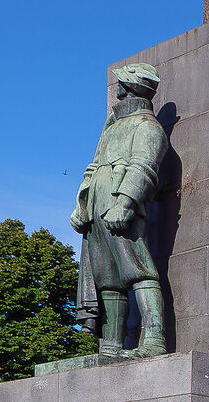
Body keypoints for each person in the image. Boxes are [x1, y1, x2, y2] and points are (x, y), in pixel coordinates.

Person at [71, 62, 169, 357]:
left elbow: (144, 167)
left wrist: (125, 202)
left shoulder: (147, 127)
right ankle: (111, 345)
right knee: (107, 278)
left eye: (122, 87)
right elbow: (93, 166)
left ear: (131, 90)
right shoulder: (112, 127)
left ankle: (154, 339)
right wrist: (81, 205)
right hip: (97, 208)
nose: (118, 94)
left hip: (118, 204)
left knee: (138, 270)